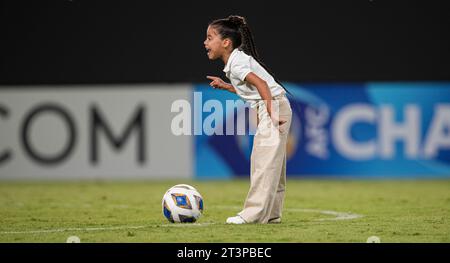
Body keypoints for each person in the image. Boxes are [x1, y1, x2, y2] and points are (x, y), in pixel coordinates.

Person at [204, 15, 292, 224]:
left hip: (272, 106)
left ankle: (252, 215)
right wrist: (226, 86)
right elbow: (252, 90)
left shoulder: (237, 64)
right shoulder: (236, 62)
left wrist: (271, 112)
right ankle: (271, 214)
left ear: (226, 43)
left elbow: (261, 84)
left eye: (209, 37)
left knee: (263, 162)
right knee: (274, 165)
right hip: (276, 105)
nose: (205, 42)